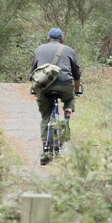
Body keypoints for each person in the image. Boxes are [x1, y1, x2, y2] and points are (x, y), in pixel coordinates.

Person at [29, 28, 81, 164]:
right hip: (65, 84)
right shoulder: (69, 50)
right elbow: (77, 74)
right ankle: (67, 114)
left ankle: (46, 149)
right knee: (69, 99)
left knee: (46, 117)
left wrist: (35, 90)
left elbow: (33, 72)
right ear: (62, 40)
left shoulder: (39, 49)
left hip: (44, 86)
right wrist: (75, 90)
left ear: (48, 39)